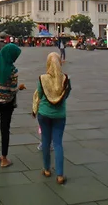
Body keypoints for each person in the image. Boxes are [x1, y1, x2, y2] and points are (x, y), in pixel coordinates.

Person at [33, 52, 72, 185]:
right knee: (58, 143)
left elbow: (39, 94)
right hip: (59, 115)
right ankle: (60, 175)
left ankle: (47, 169)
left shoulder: (42, 78)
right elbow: (66, 96)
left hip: (44, 114)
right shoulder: (65, 78)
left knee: (45, 141)